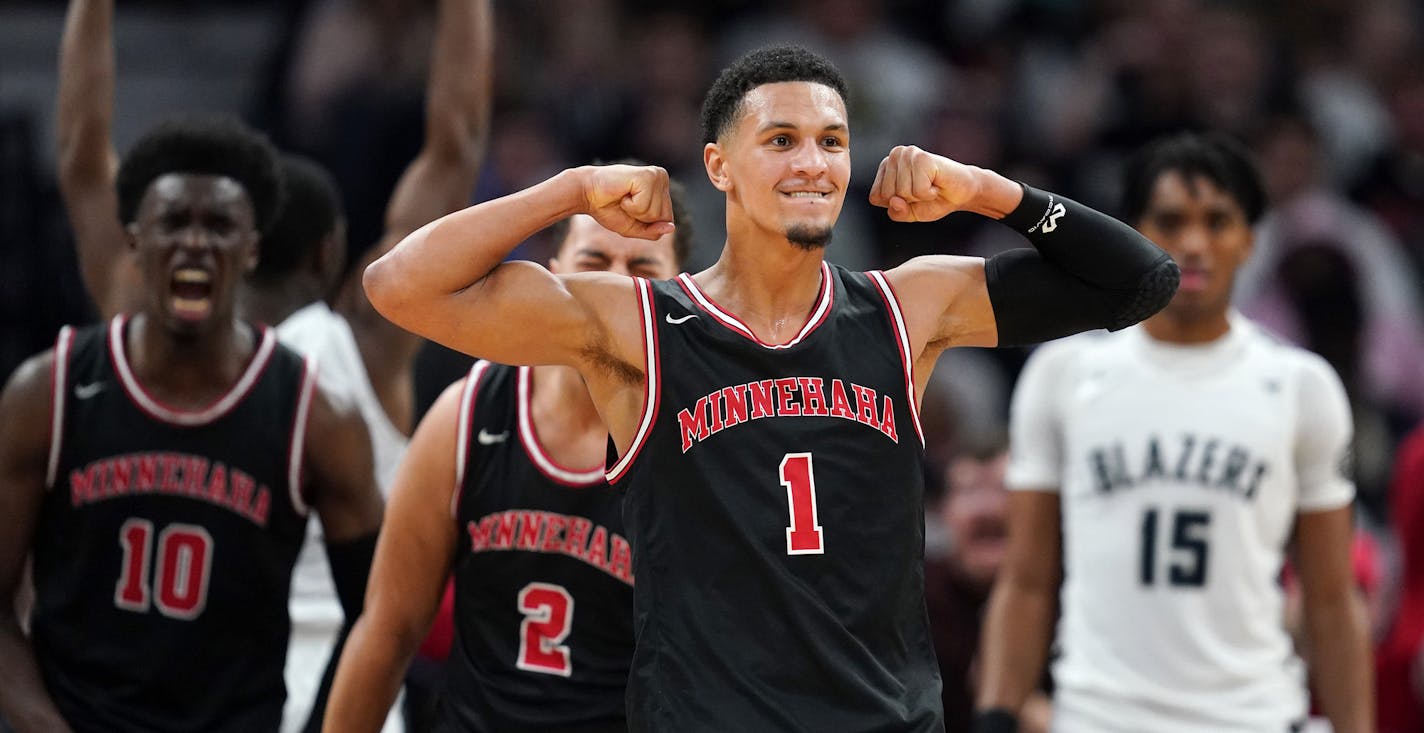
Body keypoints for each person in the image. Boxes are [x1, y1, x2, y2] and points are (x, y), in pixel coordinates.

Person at [363, 44, 1178, 730]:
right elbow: (400, 285)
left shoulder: (909, 306)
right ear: (718, 165)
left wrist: (984, 190)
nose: (812, 164)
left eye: (831, 140)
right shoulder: (640, 323)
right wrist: (570, 189)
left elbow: (1140, 280)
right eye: (781, 140)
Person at [54, 0, 492, 729]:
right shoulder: (362, 342)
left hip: (184, 690)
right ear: (329, 253)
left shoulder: (150, 326)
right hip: (345, 695)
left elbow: (80, 159)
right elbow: (456, 145)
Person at [975, 132, 1373, 733]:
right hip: (1097, 716)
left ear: (1250, 240)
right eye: (1170, 221)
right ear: (1131, 232)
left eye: (1217, 221)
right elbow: (1027, 581)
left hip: (1252, 716)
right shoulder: (1063, 373)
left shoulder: (1301, 386)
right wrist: (998, 714)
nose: (1193, 243)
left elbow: (1331, 600)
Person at [0, 116, 384, 733]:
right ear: (134, 242)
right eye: (174, 222)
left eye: (220, 226)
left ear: (251, 249)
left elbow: (378, 619)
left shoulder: (316, 418)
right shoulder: (50, 391)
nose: (196, 243)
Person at [325, 180, 691, 732]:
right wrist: (575, 188)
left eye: (642, 267)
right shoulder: (467, 414)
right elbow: (387, 631)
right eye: (593, 259)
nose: (614, 283)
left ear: (681, 292)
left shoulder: (696, 437)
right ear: (553, 273)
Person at [924, 438, 1050, 733]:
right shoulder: (909, 604)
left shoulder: (1078, 603)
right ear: (942, 511)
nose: (987, 509)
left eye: (1004, 489)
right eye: (969, 492)